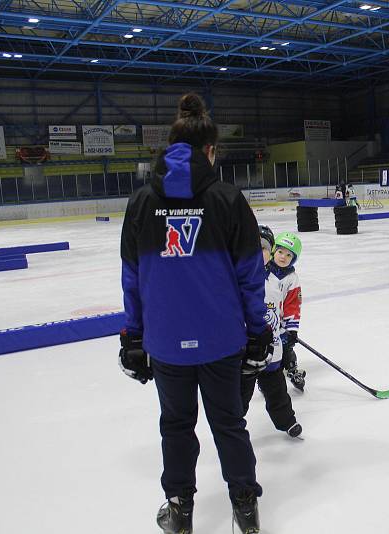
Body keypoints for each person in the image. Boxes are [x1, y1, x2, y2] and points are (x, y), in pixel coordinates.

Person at [119, 92, 271, 534]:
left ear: (170, 147)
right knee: (229, 424)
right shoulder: (226, 198)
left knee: (176, 426)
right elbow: (250, 274)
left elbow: (133, 277)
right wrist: (258, 329)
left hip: (166, 343)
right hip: (222, 339)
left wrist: (134, 335)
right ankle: (245, 508)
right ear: (211, 150)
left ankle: (180, 509)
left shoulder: (142, 202)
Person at [241, 225, 302, 438]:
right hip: (246, 346)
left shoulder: (279, 280)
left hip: (272, 344)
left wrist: (290, 330)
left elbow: (290, 304)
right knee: (242, 391)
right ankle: (232, 424)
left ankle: (287, 421)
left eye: (265, 248)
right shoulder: (239, 277)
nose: (259, 253)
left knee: (276, 388)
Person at [270, 231, 306, 392]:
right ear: (273, 251)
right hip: (263, 322)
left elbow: (293, 304)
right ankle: (265, 378)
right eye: (280, 252)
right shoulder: (262, 270)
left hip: (281, 325)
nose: (283, 257)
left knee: (286, 348)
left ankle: (292, 369)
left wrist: (291, 329)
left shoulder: (291, 278)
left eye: (288, 255)